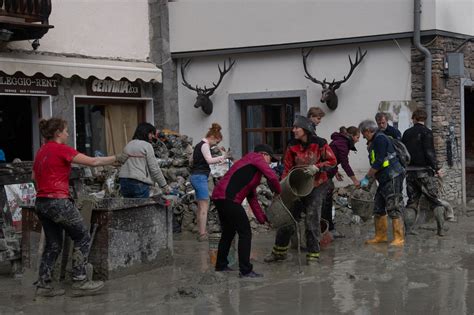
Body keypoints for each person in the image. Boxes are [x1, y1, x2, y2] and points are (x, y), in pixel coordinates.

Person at [32, 117, 128, 297]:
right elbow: (93, 162)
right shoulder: (62, 149)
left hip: (41, 202)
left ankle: (43, 284)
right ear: (58, 133)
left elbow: (33, 176)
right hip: (58, 201)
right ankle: (80, 279)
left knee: (53, 244)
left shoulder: (41, 151)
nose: (68, 133)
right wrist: (117, 158)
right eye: (66, 130)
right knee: (82, 235)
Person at [265, 115, 337, 265]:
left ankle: (313, 255)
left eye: (296, 127)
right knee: (288, 217)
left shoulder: (320, 143)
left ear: (305, 129)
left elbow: (333, 161)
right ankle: (279, 252)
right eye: (294, 127)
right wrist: (282, 188)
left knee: (312, 218)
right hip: (296, 186)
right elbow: (286, 168)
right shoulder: (292, 145)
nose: (294, 130)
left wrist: (317, 167)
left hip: (317, 184)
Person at [211, 144, 281, 278]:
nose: (270, 163)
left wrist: (262, 219)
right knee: (245, 232)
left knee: (228, 232)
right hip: (228, 198)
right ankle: (245, 270)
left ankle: (221, 265)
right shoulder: (256, 157)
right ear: (264, 154)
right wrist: (279, 191)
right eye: (270, 160)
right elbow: (271, 177)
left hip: (220, 197)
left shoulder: (252, 171)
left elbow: (252, 198)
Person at [358, 119, 405, 246]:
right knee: (378, 207)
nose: (363, 136)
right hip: (384, 178)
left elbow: (379, 162)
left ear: (368, 131)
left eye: (363, 133)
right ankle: (381, 236)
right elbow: (376, 163)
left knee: (394, 206)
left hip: (393, 175)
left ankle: (399, 238)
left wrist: (367, 178)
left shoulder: (380, 139)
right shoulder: (374, 141)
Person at [402, 109, 447, 236]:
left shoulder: (406, 133)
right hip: (425, 172)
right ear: (424, 119)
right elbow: (430, 153)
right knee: (434, 201)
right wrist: (436, 168)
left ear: (414, 118)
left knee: (412, 202)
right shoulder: (427, 132)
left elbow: (403, 153)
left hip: (410, 173)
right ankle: (441, 229)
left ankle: (409, 230)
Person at [322, 126, 361, 238]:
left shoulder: (340, 141)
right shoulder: (343, 143)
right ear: (352, 136)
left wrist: (335, 171)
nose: (358, 140)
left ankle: (328, 228)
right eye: (357, 137)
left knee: (327, 202)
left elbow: (333, 157)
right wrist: (354, 180)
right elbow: (344, 163)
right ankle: (328, 230)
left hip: (328, 172)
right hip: (324, 174)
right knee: (327, 203)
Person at [190, 123, 227, 241]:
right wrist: (223, 157)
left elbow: (191, 160)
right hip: (200, 177)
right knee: (204, 206)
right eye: (217, 142)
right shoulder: (205, 145)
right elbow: (209, 160)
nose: (216, 145)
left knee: (201, 206)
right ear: (213, 137)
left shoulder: (198, 145)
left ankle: (200, 231)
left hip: (195, 176)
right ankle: (202, 234)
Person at [119, 123, 170, 198]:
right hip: (138, 182)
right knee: (142, 208)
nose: (152, 136)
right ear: (145, 132)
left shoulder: (128, 145)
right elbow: (154, 169)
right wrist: (164, 185)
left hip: (123, 182)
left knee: (129, 208)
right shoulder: (147, 146)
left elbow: (121, 162)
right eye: (151, 133)